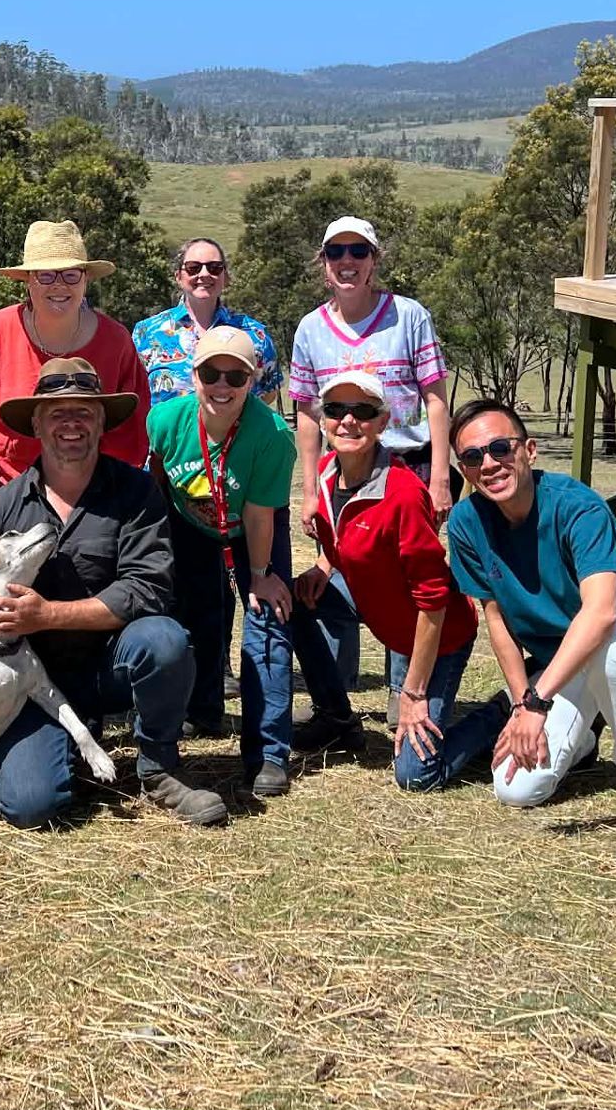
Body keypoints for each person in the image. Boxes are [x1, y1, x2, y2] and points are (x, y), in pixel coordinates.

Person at [0, 357, 226, 829]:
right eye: (56, 412)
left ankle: (159, 769)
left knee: (165, 640)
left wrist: (47, 614)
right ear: (35, 423)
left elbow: (148, 588)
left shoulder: (136, 493)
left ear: (101, 422)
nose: (71, 423)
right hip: (28, 690)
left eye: (84, 412)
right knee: (30, 806)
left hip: (114, 663)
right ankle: (62, 745)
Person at [445, 398, 616, 843]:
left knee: (610, 643)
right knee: (516, 788)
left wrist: (537, 703)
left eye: (501, 448)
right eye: (473, 456)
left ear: (529, 450)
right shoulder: (467, 522)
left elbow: (601, 614)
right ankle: (585, 737)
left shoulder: (578, 507)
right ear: (463, 469)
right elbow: (495, 619)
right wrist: (522, 704)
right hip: (564, 667)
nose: (490, 464)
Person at [287, 373, 503, 792]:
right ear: (322, 420)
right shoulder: (329, 474)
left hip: (440, 637)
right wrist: (322, 567)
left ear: (383, 422)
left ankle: (498, 712)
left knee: (416, 775)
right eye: (335, 411)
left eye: (363, 412)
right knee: (292, 599)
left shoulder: (403, 494)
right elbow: (343, 538)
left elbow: (434, 601)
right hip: (377, 604)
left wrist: (413, 692)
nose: (348, 421)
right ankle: (335, 717)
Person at [286, 216, 454, 719]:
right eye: (336, 252)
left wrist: (441, 476)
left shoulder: (409, 316)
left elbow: (435, 399)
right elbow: (307, 413)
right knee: (344, 570)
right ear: (324, 264)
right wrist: (311, 488)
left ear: (374, 261)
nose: (347, 261)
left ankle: (406, 693)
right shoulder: (311, 329)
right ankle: (336, 699)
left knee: (406, 581)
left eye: (359, 251)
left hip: (409, 463)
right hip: (343, 470)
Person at [146, 327, 298, 797]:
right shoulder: (165, 420)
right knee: (191, 616)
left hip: (253, 524)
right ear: (194, 375)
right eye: (212, 372)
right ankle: (198, 713)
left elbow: (257, 514)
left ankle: (268, 753)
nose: (222, 385)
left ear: (252, 381)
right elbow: (155, 481)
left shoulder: (272, 435)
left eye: (236, 376)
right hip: (188, 523)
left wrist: (260, 575)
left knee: (266, 620)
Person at [0, 220, 151, 504]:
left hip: (98, 506)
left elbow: (130, 434)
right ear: (27, 279)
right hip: (11, 506)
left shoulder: (116, 342)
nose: (59, 285)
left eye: (70, 274)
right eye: (45, 275)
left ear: (85, 278)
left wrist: (106, 502)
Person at [132, 237, 281, 406]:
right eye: (193, 268)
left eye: (214, 268)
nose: (204, 274)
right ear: (178, 277)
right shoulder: (146, 332)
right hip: (166, 433)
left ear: (225, 277)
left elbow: (268, 395)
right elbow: (135, 394)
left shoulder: (255, 335)